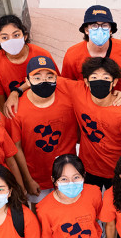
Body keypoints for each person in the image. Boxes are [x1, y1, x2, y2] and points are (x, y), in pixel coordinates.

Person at [6, 56, 80, 202]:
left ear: (56, 78)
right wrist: (28, 180)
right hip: (37, 175)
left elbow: (92, 85)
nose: (44, 81)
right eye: (37, 77)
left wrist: (118, 94)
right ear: (27, 81)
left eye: (49, 76)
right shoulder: (16, 109)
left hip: (68, 173)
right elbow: (16, 147)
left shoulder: (68, 93)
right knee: (39, 213)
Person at [70, 56, 121, 189]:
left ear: (114, 82)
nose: (100, 81)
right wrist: (19, 90)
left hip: (116, 172)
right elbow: (47, 78)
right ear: (86, 81)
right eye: (94, 77)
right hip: (88, 168)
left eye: (105, 77)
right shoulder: (78, 91)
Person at [0, 14, 56, 115]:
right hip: (16, 112)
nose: (11, 40)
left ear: (25, 36)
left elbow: (55, 82)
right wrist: (9, 117)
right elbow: (0, 101)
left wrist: (17, 91)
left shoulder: (42, 55)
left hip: (44, 107)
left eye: (16, 35)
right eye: (5, 37)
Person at [61, 5, 121, 93]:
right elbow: (67, 87)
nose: (100, 30)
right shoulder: (72, 55)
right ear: (86, 30)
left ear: (110, 30)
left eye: (104, 26)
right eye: (94, 26)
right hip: (86, 104)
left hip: (118, 102)